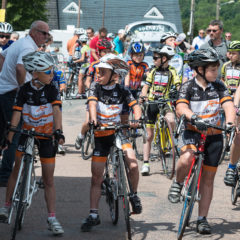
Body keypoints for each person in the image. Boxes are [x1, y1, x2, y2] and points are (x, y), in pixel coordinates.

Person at [168, 48, 235, 234]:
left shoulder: (219, 86)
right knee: (187, 158)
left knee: (208, 179)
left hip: (214, 135)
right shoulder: (187, 86)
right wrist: (193, 117)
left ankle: (202, 219)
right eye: (213, 69)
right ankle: (178, 183)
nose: (217, 73)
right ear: (199, 69)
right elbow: (181, 107)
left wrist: (230, 123)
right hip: (192, 132)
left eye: (217, 69)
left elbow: (228, 104)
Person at [0, 51, 65, 235]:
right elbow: (17, 113)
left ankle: (52, 217)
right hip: (27, 133)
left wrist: (58, 131)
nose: (51, 74)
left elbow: (56, 111)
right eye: (47, 71)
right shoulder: (24, 89)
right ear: (35, 73)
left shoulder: (52, 88)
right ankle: (6, 206)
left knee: (49, 179)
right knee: (16, 167)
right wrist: (9, 136)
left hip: (46, 136)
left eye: (52, 71)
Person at [81, 55, 142, 232]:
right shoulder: (95, 87)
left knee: (133, 163)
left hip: (119, 133)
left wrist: (137, 119)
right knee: (96, 177)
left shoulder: (123, 91)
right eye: (97, 71)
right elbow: (92, 105)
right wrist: (92, 120)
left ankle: (134, 195)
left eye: (103, 72)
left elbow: (135, 106)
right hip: (101, 134)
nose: (98, 74)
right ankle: (93, 214)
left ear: (115, 75)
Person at [0, 20, 50, 187]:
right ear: (34, 32)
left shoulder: (21, 42)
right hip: (12, 93)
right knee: (15, 133)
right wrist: (23, 90)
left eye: (47, 33)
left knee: (5, 132)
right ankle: (5, 175)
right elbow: (21, 68)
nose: (46, 36)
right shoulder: (28, 47)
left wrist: (3, 78)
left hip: (4, 90)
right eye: (44, 33)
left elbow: (2, 57)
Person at [140, 45, 181, 176]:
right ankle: (146, 163)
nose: (153, 60)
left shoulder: (172, 71)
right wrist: (143, 95)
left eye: (155, 58)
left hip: (165, 102)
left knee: (171, 119)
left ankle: (170, 141)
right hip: (152, 103)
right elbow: (146, 86)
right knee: (149, 135)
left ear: (164, 59)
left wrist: (179, 92)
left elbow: (178, 85)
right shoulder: (152, 71)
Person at [75, 42, 112, 150]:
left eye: (108, 51)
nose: (106, 53)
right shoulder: (94, 65)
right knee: (88, 121)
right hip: (95, 95)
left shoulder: (113, 65)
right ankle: (81, 136)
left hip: (108, 97)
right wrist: (92, 89)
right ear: (99, 53)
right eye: (104, 51)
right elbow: (87, 81)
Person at [121, 41, 149, 123]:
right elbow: (127, 75)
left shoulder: (144, 65)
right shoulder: (128, 63)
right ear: (131, 55)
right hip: (127, 88)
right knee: (125, 111)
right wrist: (126, 87)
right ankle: (125, 130)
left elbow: (149, 76)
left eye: (140, 55)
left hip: (137, 90)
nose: (138, 57)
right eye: (136, 55)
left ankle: (139, 121)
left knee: (141, 102)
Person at [73, 34, 91, 99]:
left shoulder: (83, 48)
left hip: (84, 65)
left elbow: (82, 59)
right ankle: (83, 93)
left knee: (80, 79)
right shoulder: (89, 47)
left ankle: (80, 93)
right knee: (84, 79)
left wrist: (75, 61)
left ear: (80, 41)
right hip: (90, 64)